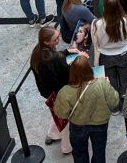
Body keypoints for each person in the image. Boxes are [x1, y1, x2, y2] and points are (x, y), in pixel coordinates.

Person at [53, 56, 119, 163]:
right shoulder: (102, 84)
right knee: (99, 152)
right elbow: (114, 102)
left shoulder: (65, 91)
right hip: (100, 124)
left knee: (79, 153)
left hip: (78, 126)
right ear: (89, 69)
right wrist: (108, 84)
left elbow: (61, 113)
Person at [29, 26, 85, 155]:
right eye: (55, 39)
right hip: (61, 93)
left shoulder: (37, 52)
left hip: (49, 93)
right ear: (46, 41)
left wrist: (66, 52)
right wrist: (79, 60)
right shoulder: (54, 59)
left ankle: (53, 134)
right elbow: (68, 72)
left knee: (57, 112)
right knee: (66, 120)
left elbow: (55, 57)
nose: (58, 40)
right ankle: (67, 147)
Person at [92, 0, 127, 106]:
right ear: (119, 6)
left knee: (110, 83)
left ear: (104, 8)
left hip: (105, 57)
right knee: (126, 82)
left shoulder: (96, 24)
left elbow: (96, 45)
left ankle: (114, 107)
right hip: (124, 55)